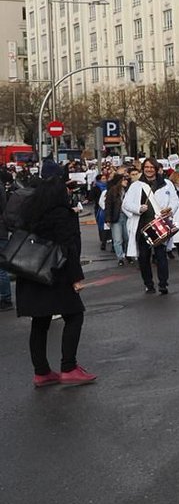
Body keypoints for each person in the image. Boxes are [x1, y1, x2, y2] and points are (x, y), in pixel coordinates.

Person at [18, 160, 95, 387]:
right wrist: (76, 277)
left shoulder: (29, 207)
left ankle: (41, 371)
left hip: (31, 270)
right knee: (74, 314)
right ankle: (69, 366)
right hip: (56, 273)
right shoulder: (62, 213)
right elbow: (68, 248)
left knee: (39, 321)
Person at [122, 157, 179, 295]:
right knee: (144, 257)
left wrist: (170, 209)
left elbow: (175, 199)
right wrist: (138, 208)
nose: (149, 169)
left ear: (156, 169)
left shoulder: (166, 184)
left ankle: (163, 284)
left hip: (159, 225)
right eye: (146, 167)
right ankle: (148, 284)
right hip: (142, 226)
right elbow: (125, 204)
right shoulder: (136, 185)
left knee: (161, 255)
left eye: (151, 167)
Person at [105, 171, 129, 266]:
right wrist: (108, 219)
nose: (126, 181)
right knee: (117, 239)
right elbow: (108, 205)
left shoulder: (128, 190)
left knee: (127, 238)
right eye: (124, 180)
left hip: (127, 217)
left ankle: (128, 254)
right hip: (117, 217)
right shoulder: (113, 191)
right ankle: (120, 258)